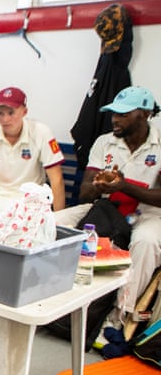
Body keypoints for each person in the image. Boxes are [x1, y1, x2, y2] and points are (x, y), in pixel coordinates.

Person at [55, 86, 161, 330]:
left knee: (146, 242)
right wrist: (100, 185)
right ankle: (55, 303)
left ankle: (119, 317)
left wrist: (124, 186)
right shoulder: (105, 142)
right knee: (52, 224)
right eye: (114, 113)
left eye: (124, 114)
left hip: (147, 214)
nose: (115, 118)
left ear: (144, 114)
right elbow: (84, 193)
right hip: (104, 208)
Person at [0, 86, 66, 216]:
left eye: (11, 113)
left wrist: (58, 219)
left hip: (30, 201)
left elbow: (57, 179)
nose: (5, 119)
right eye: (0, 113)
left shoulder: (41, 133)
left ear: (24, 111)